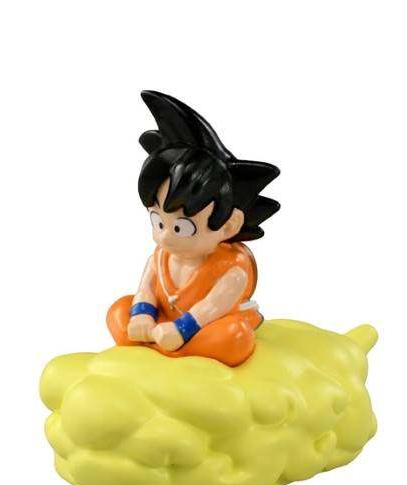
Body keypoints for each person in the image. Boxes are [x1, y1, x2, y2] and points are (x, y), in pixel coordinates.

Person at [107, 91, 280, 366]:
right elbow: (146, 289)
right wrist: (142, 315)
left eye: (182, 228)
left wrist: (180, 330)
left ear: (229, 225)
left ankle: (176, 351)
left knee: (234, 337)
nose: (165, 235)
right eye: (158, 222)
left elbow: (211, 307)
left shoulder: (231, 270)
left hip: (206, 326)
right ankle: (168, 348)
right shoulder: (161, 257)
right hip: (163, 325)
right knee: (119, 311)